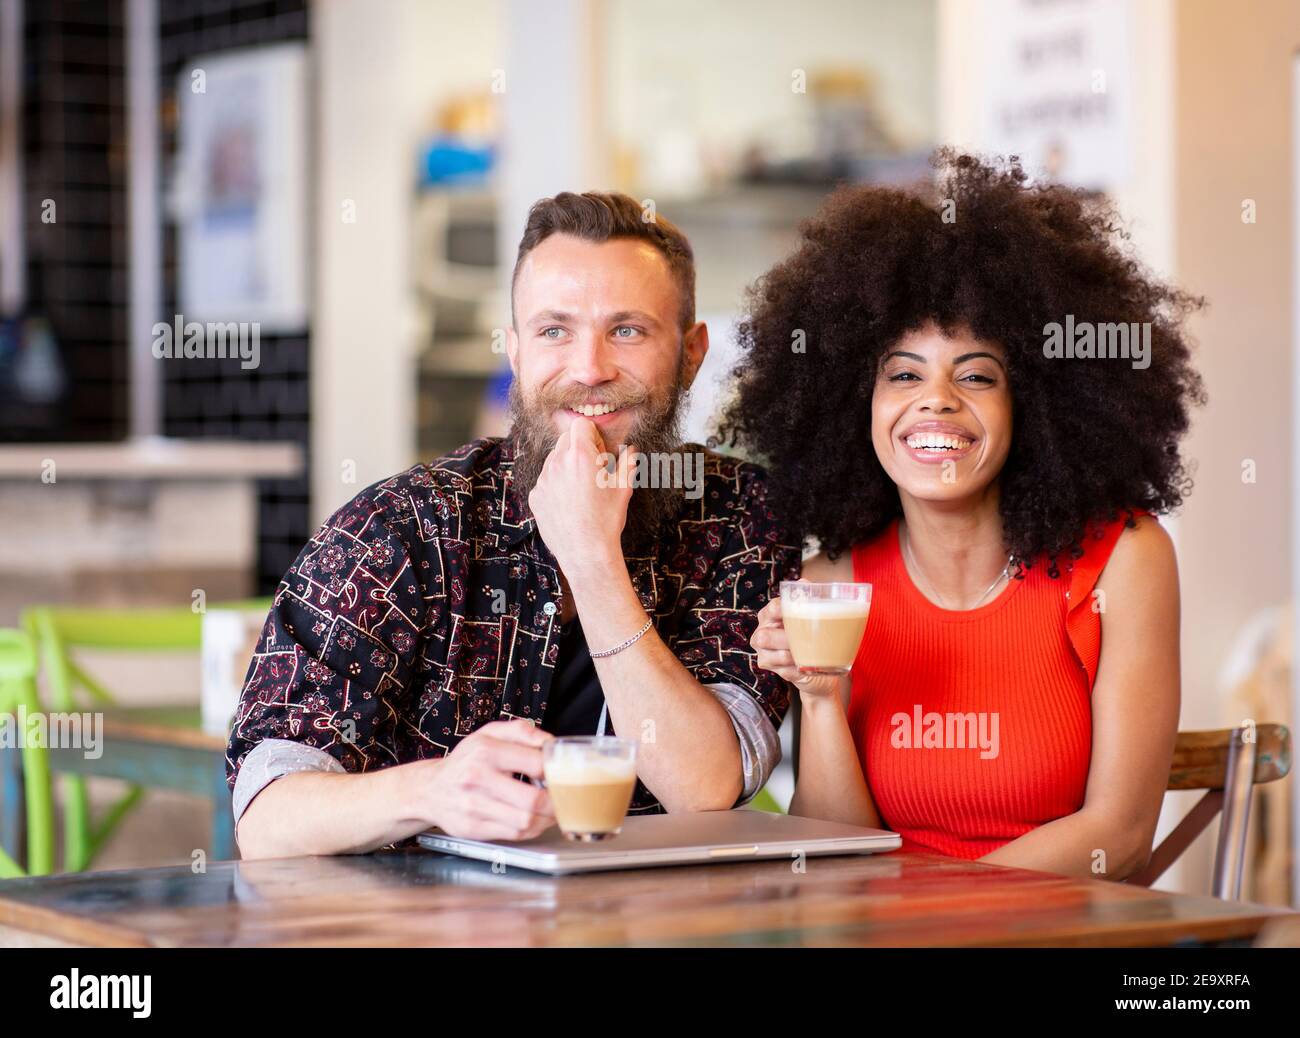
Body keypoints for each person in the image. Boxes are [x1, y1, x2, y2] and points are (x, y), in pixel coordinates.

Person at [229, 191, 801, 859]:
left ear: (691, 352)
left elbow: (703, 788)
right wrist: (432, 791)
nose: (589, 370)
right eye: (554, 330)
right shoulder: (401, 528)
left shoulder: (739, 512)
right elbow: (267, 817)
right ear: (516, 353)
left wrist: (591, 558)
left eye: (628, 330)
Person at [725, 150, 1204, 881]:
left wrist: (939, 919)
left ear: (1037, 406)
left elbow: (1122, 835)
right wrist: (820, 699)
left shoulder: (1124, 560)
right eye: (904, 374)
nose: (937, 401)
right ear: (858, 404)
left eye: (976, 374)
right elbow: (833, 859)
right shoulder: (832, 585)